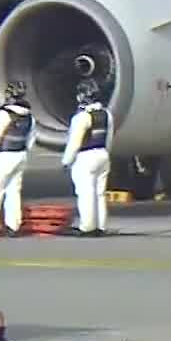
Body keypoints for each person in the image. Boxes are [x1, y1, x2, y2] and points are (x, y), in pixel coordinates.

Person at [0, 82, 35, 236]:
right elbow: (31, 139)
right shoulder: (29, 116)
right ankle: (14, 225)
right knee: (13, 191)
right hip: (20, 154)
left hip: (3, 156)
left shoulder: (4, 115)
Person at [61, 80, 113, 236]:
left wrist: (66, 161)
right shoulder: (106, 114)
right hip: (103, 154)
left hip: (86, 157)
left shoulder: (81, 117)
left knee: (85, 193)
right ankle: (100, 226)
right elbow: (109, 138)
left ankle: (87, 226)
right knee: (99, 193)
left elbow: (74, 143)